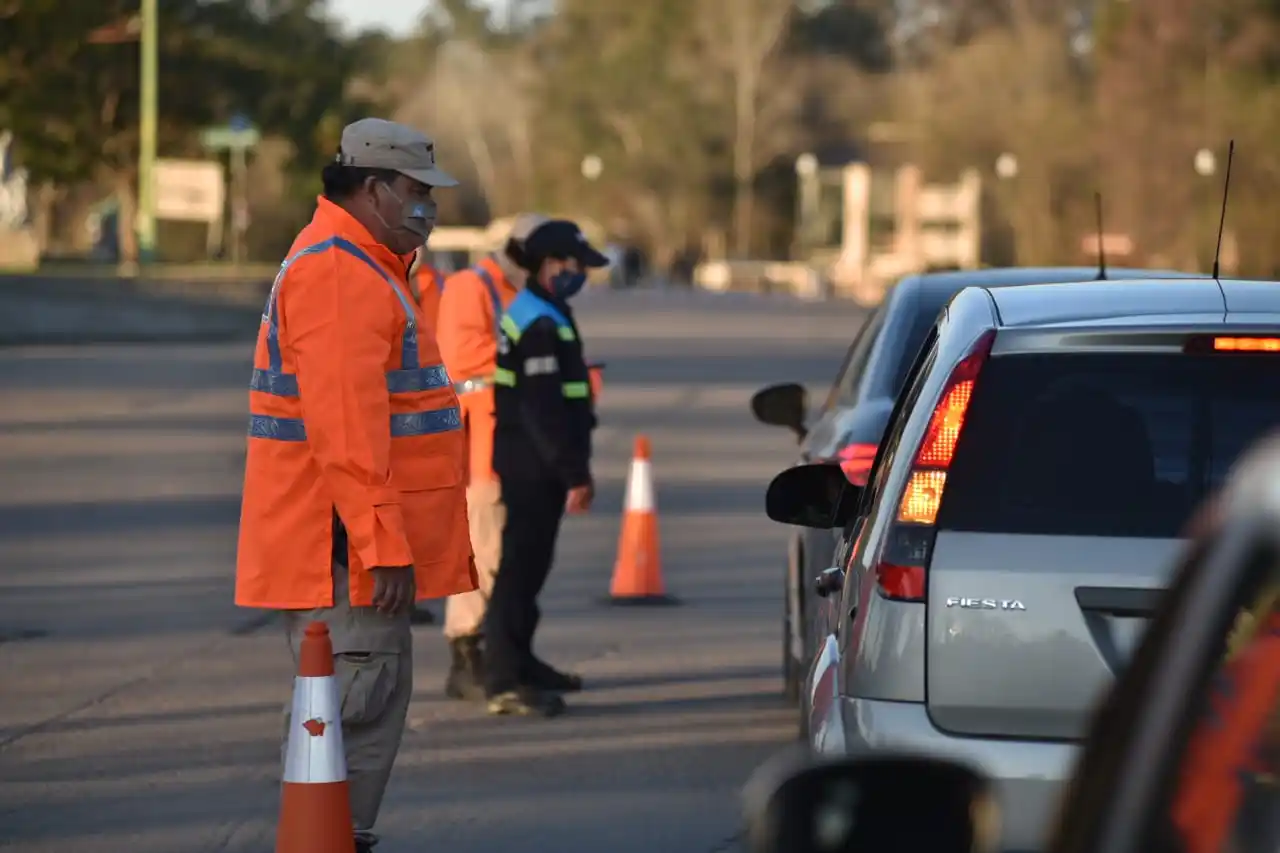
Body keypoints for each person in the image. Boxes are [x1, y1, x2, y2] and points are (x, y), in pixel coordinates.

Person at [235, 117, 476, 853]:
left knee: (355, 706)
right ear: (373, 190)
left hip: (336, 541)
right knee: (354, 706)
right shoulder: (341, 273)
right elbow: (345, 431)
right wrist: (381, 545)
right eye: (414, 191)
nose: (427, 208)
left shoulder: (359, 262)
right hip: (341, 550)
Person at [484, 218, 609, 717]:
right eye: (578, 265)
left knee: (532, 568)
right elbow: (543, 410)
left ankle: (522, 661)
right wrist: (573, 472)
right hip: (531, 465)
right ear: (553, 264)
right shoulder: (537, 320)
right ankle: (502, 679)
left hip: (536, 463)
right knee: (519, 570)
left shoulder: (547, 310)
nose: (582, 274)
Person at [434, 213, 550, 700]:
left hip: (522, 443)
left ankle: (514, 653)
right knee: (483, 554)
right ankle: (468, 654)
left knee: (514, 558)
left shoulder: (525, 294)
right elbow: (462, 355)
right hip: (484, 445)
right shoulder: (471, 286)